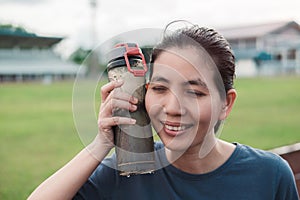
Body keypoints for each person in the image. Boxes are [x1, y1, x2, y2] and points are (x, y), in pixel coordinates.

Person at [28, 22, 299, 200]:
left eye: (194, 92)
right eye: (159, 88)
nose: (172, 108)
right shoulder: (125, 173)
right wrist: (101, 144)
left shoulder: (269, 175)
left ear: (225, 104)